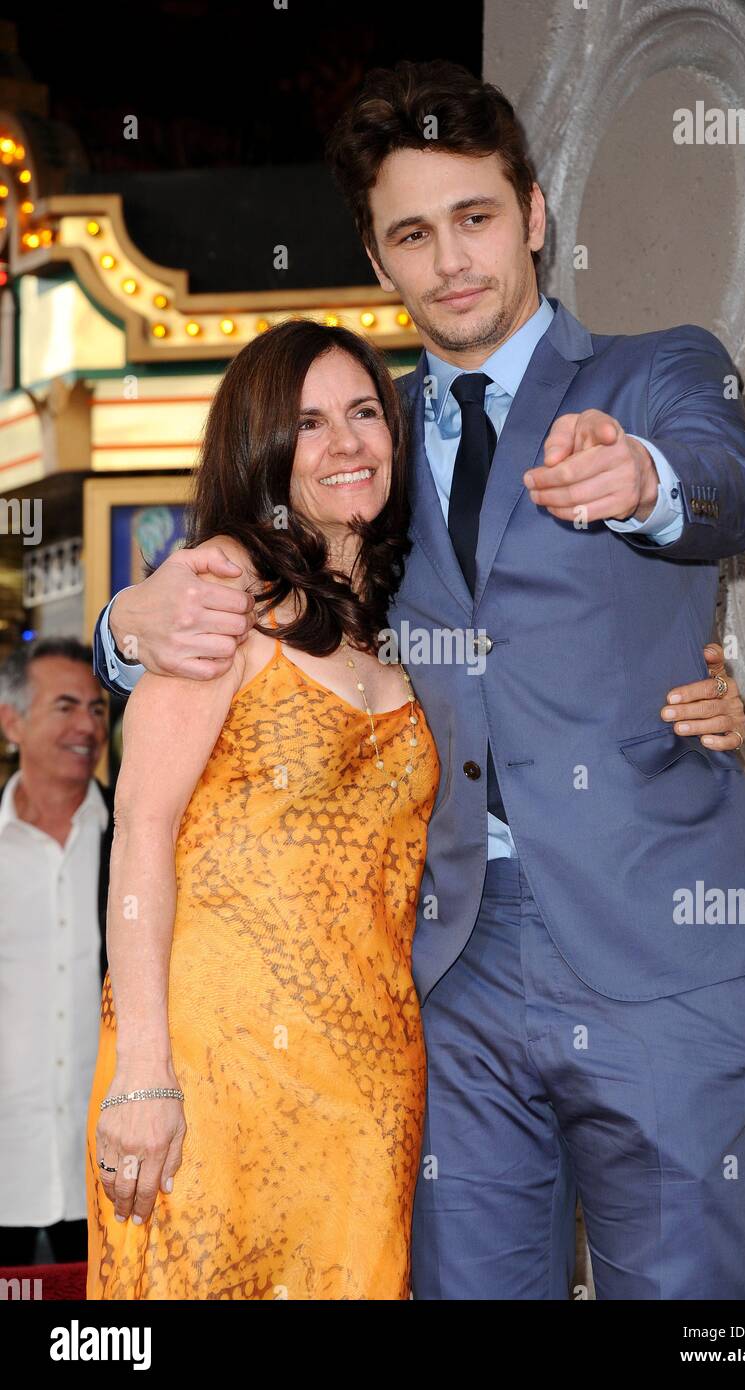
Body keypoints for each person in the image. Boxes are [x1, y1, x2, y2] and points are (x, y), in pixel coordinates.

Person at [91, 61, 745, 1300]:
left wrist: (642, 478)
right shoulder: (360, 455)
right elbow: (279, 615)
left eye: (475, 217)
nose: (450, 260)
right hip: (440, 976)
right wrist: (123, 622)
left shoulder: (653, 371)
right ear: (380, 262)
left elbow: (725, 483)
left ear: (531, 215)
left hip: (656, 944)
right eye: (411, 236)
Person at [85, 322, 440, 1299]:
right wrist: (145, 1071)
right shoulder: (218, 600)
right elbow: (140, 835)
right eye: (309, 424)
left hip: (369, 1080)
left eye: (365, 413)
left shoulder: (404, 629)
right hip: (210, 1072)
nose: (347, 444)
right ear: (261, 452)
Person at [0, 638, 111, 1267]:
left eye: (97, 709)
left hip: (111, 1167)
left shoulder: (136, 839)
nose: (86, 726)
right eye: (65, 706)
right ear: (11, 720)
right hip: (6, 1158)